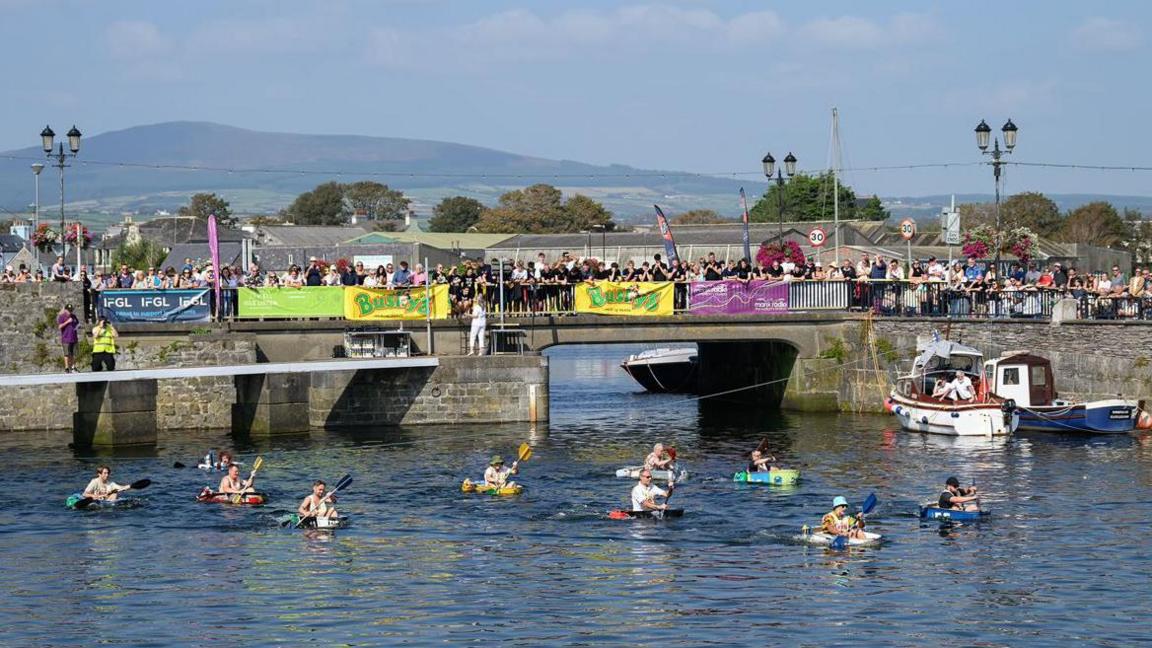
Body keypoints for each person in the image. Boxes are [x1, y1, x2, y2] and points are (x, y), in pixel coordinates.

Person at [58, 304, 80, 373]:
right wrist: (67, 322)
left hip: (73, 337)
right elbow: (60, 326)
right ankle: (67, 368)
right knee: (66, 354)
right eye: (68, 310)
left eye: (71, 310)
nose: (70, 312)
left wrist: (78, 326)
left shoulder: (74, 316)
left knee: (73, 353)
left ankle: (73, 367)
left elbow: (77, 324)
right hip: (66, 338)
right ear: (65, 310)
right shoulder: (62, 317)